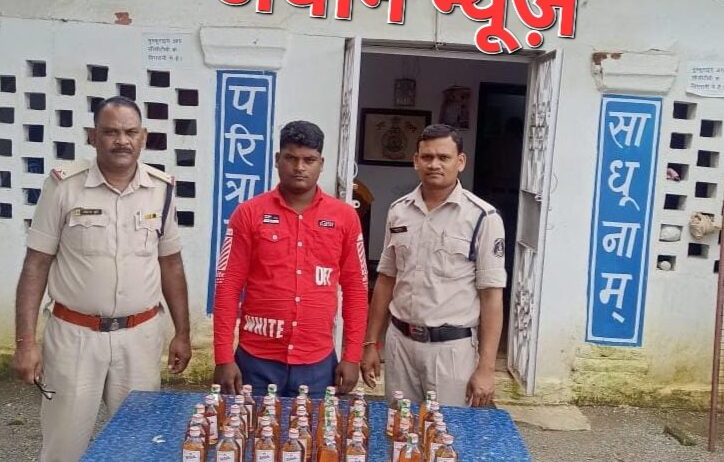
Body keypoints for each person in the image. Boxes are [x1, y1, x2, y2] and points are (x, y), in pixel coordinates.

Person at [12, 96, 191, 462]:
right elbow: (36, 265)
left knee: (138, 447)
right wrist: (25, 343)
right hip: (74, 337)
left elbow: (171, 264)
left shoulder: (162, 189)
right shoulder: (64, 186)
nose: (121, 140)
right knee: (64, 446)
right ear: (93, 136)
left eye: (130, 132)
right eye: (110, 132)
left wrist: (183, 333)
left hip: (139, 338)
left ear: (143, 137)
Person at [213, 120, 369, 397]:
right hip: (255, 360)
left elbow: (356, 289)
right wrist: (223, 357)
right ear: (277, 160)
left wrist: (352, 356)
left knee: (314, 427)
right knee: (248, 425)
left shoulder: (344, 217)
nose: (299, 167)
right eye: (291, 158)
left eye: (309, 160)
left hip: (318, 363)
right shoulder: (248, 213)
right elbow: (228, 285)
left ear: (321, 163)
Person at [361, 123, 506, 407]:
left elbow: (491, 296)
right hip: (400, 344)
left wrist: (486, 368)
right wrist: (371, 343)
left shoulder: (482, 217)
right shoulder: (399, 210)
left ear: (460, 161)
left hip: (451, 350)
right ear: (416, 161)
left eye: (444, 157)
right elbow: (387, 280)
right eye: (427, 157)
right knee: (400, 428)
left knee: (447, 430)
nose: (434, 164)